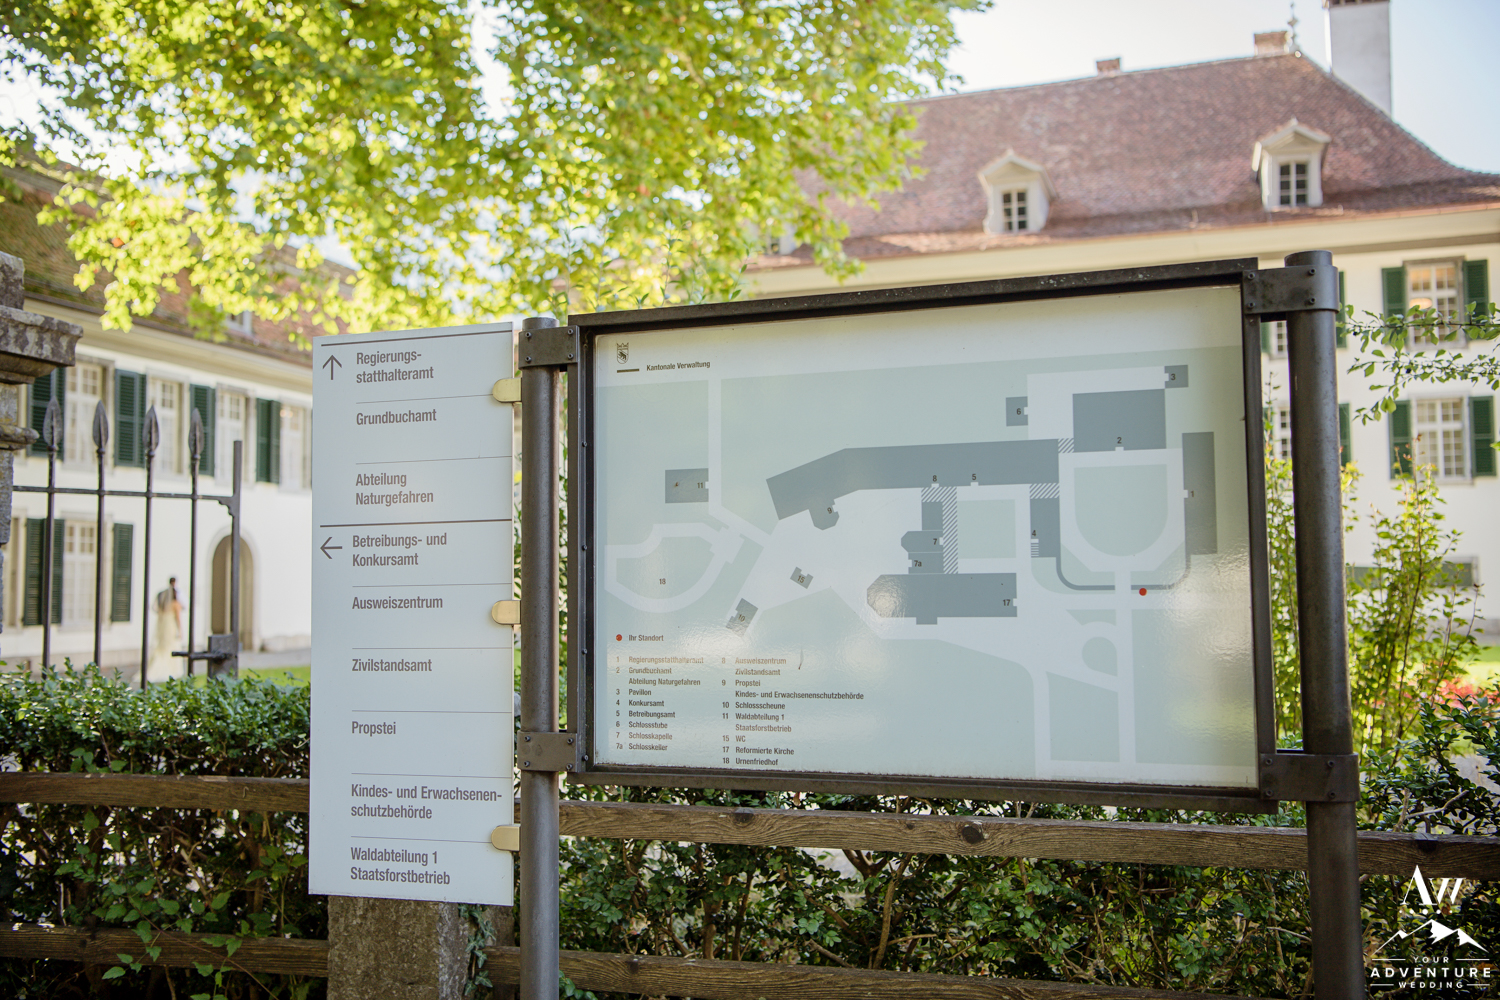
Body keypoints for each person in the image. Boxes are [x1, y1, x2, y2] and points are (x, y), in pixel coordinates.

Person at [146, 576, 183, 683]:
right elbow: (178, 619)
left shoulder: (162, 599)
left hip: (163, 625)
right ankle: (172, 669)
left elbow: (154, 608)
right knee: (171, 646)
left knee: (163, 647)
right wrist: (180, 631)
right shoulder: (175, 604)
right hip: (171, 626)